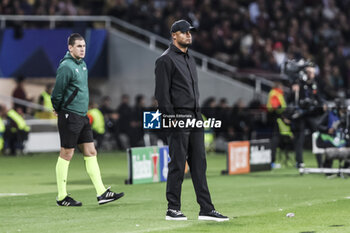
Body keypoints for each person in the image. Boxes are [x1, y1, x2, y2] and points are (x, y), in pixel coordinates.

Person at [155, 19, 228, 221]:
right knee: (178, 164)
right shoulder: (165, 60)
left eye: (190, 32)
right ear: (174, 36)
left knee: (199, 164)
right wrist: (171, 120)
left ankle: (206, 208)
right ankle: (173, 208)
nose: (189, 35)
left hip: (195, 117)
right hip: (178, 118)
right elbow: (162, 96)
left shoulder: (189, 58)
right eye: (184, 32)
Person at [51, 33, 124, 206]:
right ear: (70, 48)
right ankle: (61, 196)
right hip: (70, 115)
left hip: (82, 116)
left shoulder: (82, 65)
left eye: (84, 46)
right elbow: (57, 92)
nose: (82, 49)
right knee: (66, 153)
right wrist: (59, 109)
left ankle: (102, 193)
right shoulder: (67, 66)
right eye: (78, 46)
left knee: (91, 152)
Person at [288, 65, 325, 168]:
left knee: (317, 137)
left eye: (312, 72)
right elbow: (292, 99)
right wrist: (294, 90)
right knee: (300, 138)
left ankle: (320, 163)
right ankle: (299, 162)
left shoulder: (314, 84)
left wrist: (323, 104)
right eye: (309, 72)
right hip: (301, 114)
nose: (311, 74)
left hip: (311, 114)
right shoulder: (299, 84)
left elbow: (318, 97)